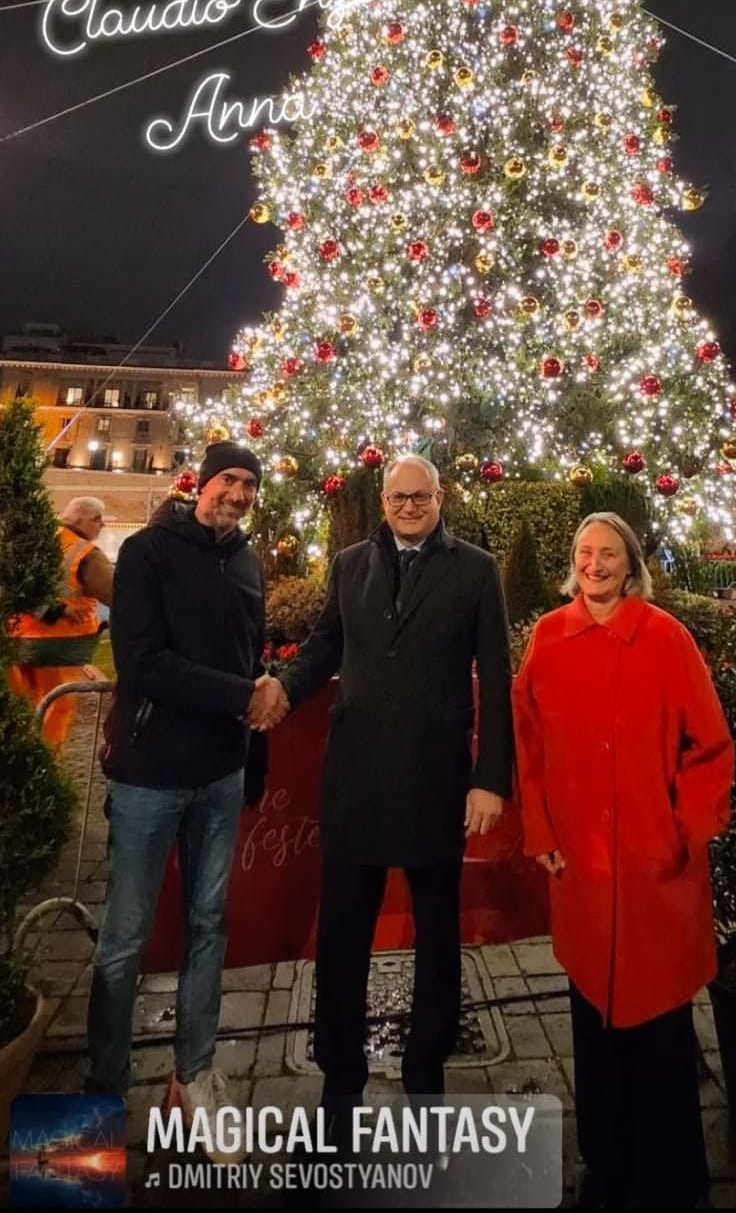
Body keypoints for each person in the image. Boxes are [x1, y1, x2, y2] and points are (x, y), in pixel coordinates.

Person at [274, 453, 513, 1132]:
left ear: (441, 499)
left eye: (421, 496)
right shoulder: (350, 565)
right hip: (356, 781)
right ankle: (341, 1076)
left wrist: (490, 776)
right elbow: (322, 649)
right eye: (398, 497)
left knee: (439, 936)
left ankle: (425, 1068)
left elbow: (496, 677)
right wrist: (282, 691)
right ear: (382, 503)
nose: (409, 507)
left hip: (436, 782)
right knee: (343, 938)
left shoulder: (475, 570)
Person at [513, 512, 734, 1210]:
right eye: (584, 552)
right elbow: (529, 744)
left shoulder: (667, 638)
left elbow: (710, 745)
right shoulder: (549, 637)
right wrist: (540, 829)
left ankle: (675, 1179)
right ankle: (605, 1166)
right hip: (582, 868)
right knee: (593, 1029)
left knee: (664, 1033)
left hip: (653, 872)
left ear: (631, 563)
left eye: (608, 553)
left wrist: (684, 832)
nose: (595, 564)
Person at [86, 442, 286, 1154]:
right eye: (228, 480)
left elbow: (250, 659)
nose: (237, 494)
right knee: (124, 941)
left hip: (219, 775)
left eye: (248, 485)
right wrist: (244, 695)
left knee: (209, 925)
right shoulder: (147, 552)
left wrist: (251, 752)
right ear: (201, 484)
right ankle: (102, 1098)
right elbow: (144, 661)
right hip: (150, 773)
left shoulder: (247, 560)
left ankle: (193, 1074)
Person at [9, 497, 115, 745]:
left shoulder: (40, 542)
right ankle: (44, 767)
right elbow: (115, 594)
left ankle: (16, 760)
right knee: (59, 707)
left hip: (19, 641)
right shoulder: (86, 554)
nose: (101, 526)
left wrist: (45, 609)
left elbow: (15, 586)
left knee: (25, 707)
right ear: (78, 519)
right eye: (96, 519)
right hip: (60, 646)